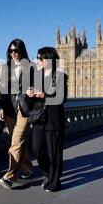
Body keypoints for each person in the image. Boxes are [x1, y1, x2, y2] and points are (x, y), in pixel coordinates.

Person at [28, 47, 67, 192]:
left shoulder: (60, 76)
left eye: (40, 58)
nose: (38, 60)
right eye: (38, 58)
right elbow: (30, 97)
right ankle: (47, 172)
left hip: (53, 119)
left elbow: (61, 98)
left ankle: (54, 182)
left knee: (54, 153)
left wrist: (43, 95)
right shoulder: (36, 76)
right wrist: (29, 94)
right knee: (37, 150)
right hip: (39, 118)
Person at [0, 38, 34, 189]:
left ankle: (10, 176)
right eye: (11, 51)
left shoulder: (31, 67)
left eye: (16, 50)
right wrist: (1, 107)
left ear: (22, 50)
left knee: (16, 140)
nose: (13, 53)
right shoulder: (6, 67)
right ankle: (28, 169)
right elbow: (3, 90)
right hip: (10, 108)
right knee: (18, 140)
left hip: (24, 107)